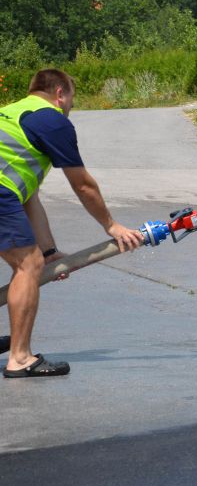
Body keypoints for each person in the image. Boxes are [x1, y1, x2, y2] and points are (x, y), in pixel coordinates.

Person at [0, 69, 143, 378]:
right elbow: (83, 185)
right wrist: (111, 226)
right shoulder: (52, 120)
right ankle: (20, 358)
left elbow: (29, 199)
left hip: (6, 193)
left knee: (33, 260)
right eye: (72, 100)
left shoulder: (12, 112)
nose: (70, 107)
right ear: (60, 93)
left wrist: (49, 251)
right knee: (27, 266)